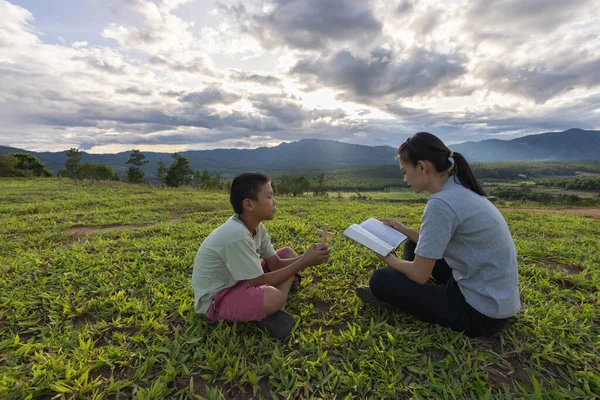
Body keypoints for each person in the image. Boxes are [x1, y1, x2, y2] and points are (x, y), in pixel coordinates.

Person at [356, 132, 520, 337]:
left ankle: (400, 295)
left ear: (423, 167)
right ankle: (406, 291)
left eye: (405, 171)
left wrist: (388, 258)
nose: (405, 179)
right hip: (494, 300)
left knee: (380, 279)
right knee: (413, 244)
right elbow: (437, 242)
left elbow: (420, 274)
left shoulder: (441, 203)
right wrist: (405, 230)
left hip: (479, 314)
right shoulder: (460, 189)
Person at [192, 172, 330, 338]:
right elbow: (257, 281)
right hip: (217, 298)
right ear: (249, 205)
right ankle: (273, 307)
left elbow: (276, 264)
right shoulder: (236, 234)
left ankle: (268, 309)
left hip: (239, 280)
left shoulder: (257, 227)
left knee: (287, 253)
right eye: (269, 197)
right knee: (274, 297)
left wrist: (307, 256)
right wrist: (304, 262)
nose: (275, 202)